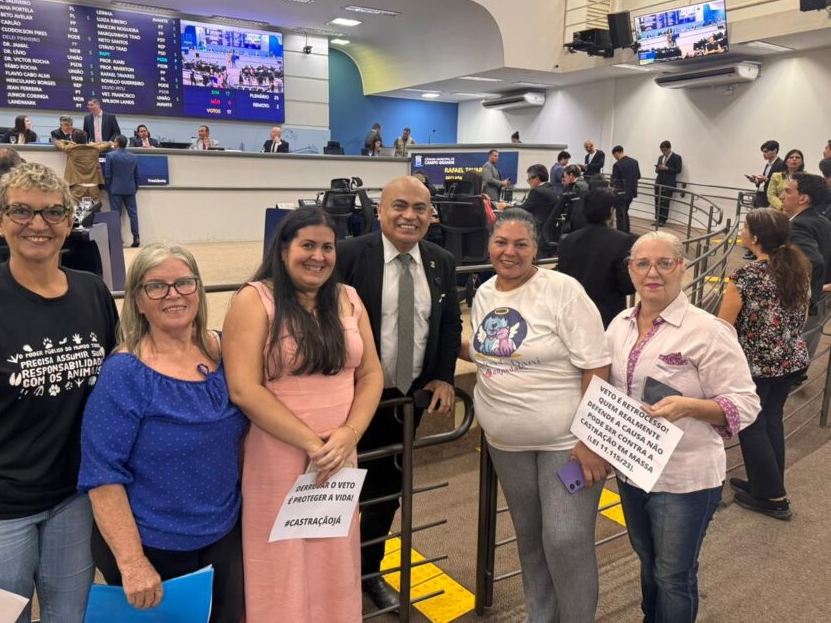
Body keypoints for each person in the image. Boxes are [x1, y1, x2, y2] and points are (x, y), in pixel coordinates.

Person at [0, 163, 118, 621]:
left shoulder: (93, 293)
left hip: (73, 499)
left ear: (70, 222)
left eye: (54, 213)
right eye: (22, 211)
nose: (39, 225)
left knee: (69, 616)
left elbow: (120, 385)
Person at [224, 207, 383, 622]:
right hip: (278, 458)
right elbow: (243, 388)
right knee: (282, 563)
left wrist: (349, 434)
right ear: (283, 249)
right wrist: (313, 444)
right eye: (307, 245)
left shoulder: (348, 299)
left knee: (333, 556)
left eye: (327, 247)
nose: (318, 256)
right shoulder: (253, 299)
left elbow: (370, 374)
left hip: (337, 458)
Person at [79, 243, 247, 621]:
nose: (174, 294)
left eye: (184, 283)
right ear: (138, 300)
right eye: (157, 286)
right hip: (154, 544)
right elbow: (101, 475)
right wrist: (132, 562)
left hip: (223, 533)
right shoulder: (124, 373)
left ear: (199, 291)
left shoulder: (223, 351)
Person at [605, 231, 760, 623]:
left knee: (674, 575)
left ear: (683, 268)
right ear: (630, 270)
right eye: (642, 263)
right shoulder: (619, 324)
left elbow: (746, 403)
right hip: (632, 470)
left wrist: (692, 406)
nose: (652, 272)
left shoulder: (707, 331)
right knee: (647, 562)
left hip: (684, 479)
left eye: (664, 263)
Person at [465, 207, 610, 623]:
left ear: (536, 249)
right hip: (505, 443)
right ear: (489, 245)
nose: (509, 252)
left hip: (565, 444)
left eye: (520, 244)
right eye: (501, 242)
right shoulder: (485, 293)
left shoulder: (562, 290)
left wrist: (591, 439)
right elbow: (487, 352)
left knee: (566, 539)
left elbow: (596, 364)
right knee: (530, 540)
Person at [336, 176, 461, 612]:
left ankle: (368, 570)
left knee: (387, 493)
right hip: (348, 401)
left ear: (431, 214)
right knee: (335, 491)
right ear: (380, 210)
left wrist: (444, 375)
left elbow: (448, 324)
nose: (410, 216)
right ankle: (330, 576)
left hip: (406, 403)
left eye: (420, 209)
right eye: (400, 206)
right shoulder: (349, 256)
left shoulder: (441, 261)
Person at [718, 208, 809, 521]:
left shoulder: (746, 276)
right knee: (771, 421)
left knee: (751, 424)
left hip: (755, 365)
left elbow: (724, 324)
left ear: (754, 238)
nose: (743, 231)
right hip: (789, 359)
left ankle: (773, 497)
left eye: (745, 227)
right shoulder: (797, 269)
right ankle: (765, 483)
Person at [558, 188, 635, 327]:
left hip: (572, 314)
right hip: (607, 318)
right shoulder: (622, 241)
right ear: (612, 211)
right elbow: (627, 286)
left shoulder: (568, 240)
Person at [779, 171, 831, 311]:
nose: (781, 196)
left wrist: (812, 291)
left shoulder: (797, 225)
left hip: (800, 306)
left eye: (788, 192)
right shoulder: (822, 220)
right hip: (819, 302)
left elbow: (814, 261)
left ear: (803, 199)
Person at [54, 129, 113, 204]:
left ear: (73, 139)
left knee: (76, 211)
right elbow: (108, 144)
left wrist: (68, 142)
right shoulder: (95, 148)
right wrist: (95, 143)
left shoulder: (71, 149)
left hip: (77, 186)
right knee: (94, 211)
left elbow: (57, 142)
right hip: (94, 186)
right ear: (86, 139)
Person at [104, 135, 141, 247]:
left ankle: (117, 240)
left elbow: (108, 174)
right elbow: (137, 175)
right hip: (130, 189)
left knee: (115, 215)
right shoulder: (133, 157)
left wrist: (108, 187)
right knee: (133, 214)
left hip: (115, 189)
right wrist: (135, 188)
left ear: (117, 143)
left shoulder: (110, 156)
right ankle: (136, 237)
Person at [517, 164, 557, 236]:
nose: (529, 182)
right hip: (549, 230)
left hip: (537, 231)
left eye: (529, 179)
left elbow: (523, 209)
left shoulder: (537, 191)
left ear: (537, 179)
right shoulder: (550, 188)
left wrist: (506, 207)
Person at [654, 140, 682, 227]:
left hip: (669, 183)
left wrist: (667, 168)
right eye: (662, 150)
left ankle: (663, 220)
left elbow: (678, 170)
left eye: (665, 150)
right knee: (657, 201)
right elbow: (657, 171)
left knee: (665, 202)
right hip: (659, 182)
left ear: (669, 148)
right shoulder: (660, 157)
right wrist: (658, 168)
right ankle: (657, 219)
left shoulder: (677, 157)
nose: (663, 152)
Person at [610, 145, 640, 214]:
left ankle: (622, 225)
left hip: (621, 193)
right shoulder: (635, 162)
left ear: (616, 153)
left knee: (620, 214)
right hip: (632, 192)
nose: (615, 158)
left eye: (614, 156)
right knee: (625, 213)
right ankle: (626, 225)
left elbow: (614, 181)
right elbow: (638, 176)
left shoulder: (617, 165)